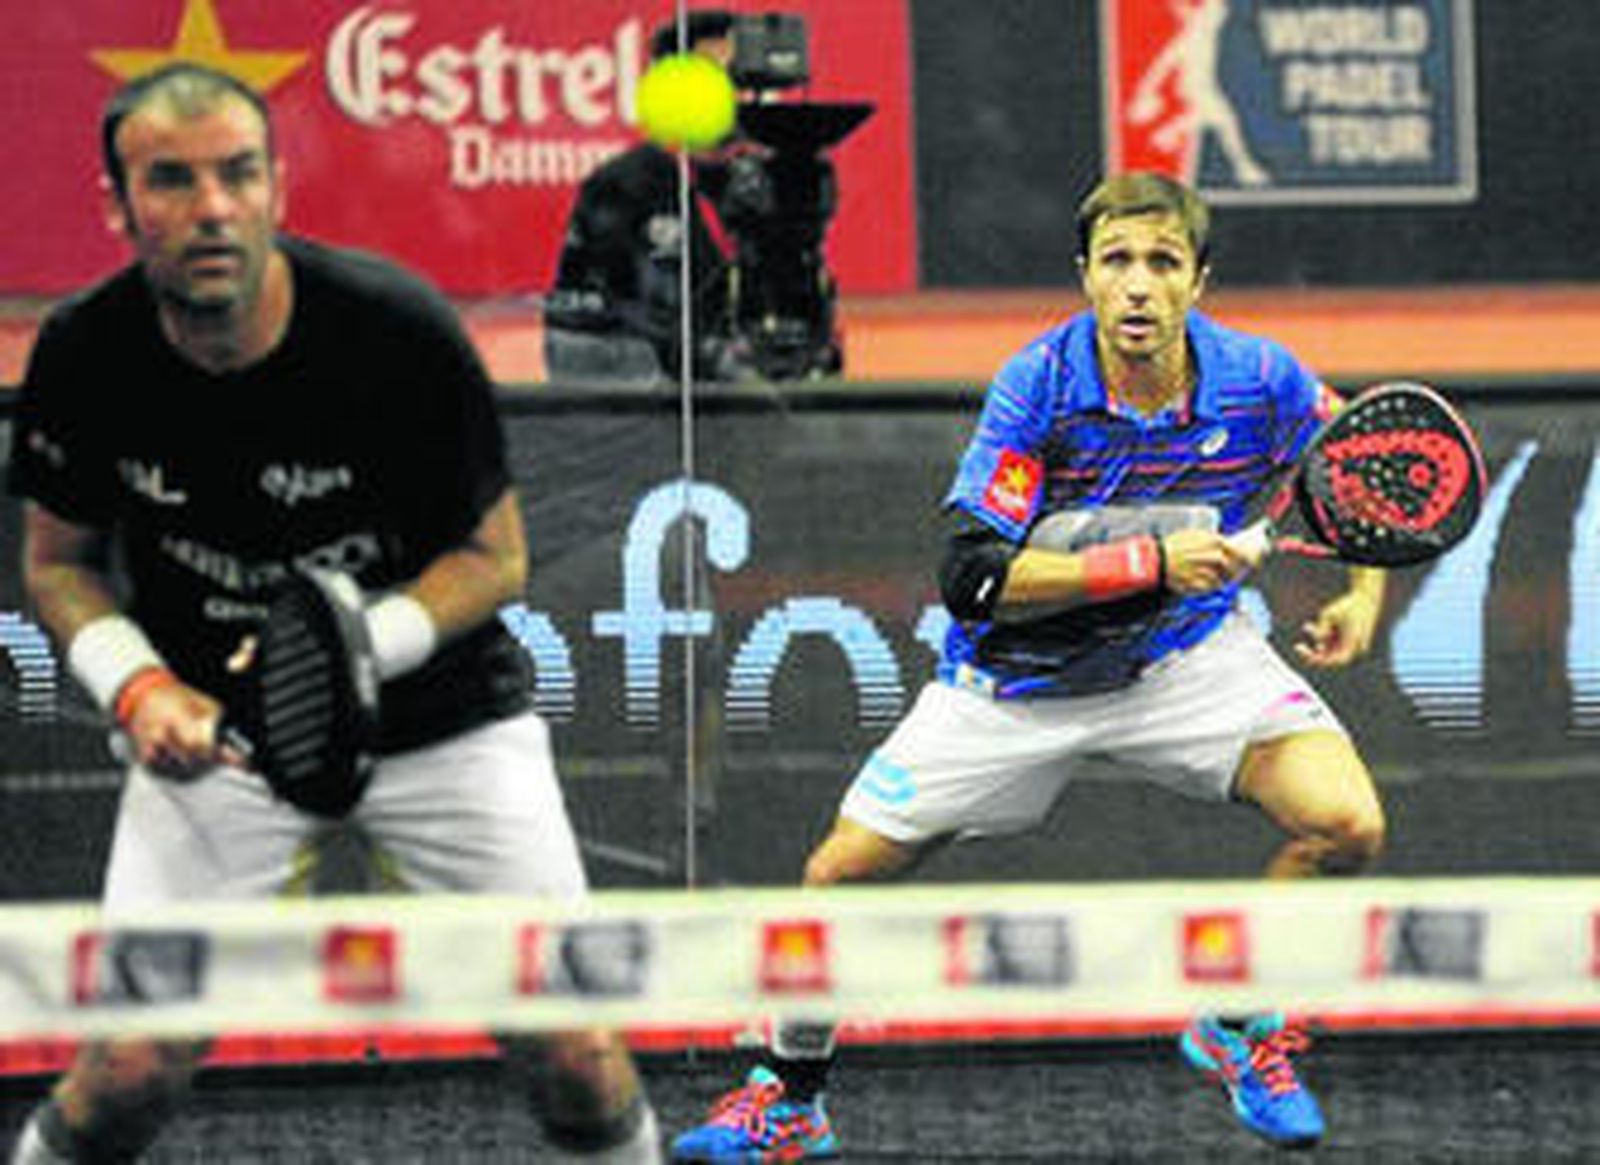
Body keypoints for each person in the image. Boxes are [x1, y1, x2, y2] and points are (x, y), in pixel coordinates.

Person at [6, 63, 660, 1163]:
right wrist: (140, 683)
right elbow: (59, 566)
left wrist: (356, 645)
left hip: (450, 727)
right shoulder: (84, 354)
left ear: (276, 191)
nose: (211, 208)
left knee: (576, 1060)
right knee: (125, 1067)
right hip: (219, 745)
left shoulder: (395, 333)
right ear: (119, 207)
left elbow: (493, 558)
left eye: (237, 174)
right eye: (171, 181)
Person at [670, 172, 1388, 1161]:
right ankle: (789, 1095)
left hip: (1184, 661)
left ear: (1198, 281)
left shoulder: (1258, 376)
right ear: (1084, 276)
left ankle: (1237, 1016)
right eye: (1117, 263)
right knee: (834, 880)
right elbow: (972, 579)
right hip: (1012, 687)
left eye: (1162, 263)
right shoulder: (1037, 386)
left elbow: (1365, 464)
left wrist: (1360, 594)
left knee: (1345, 822)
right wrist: (1150, 564)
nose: (1138, 287)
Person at [544, 10, 747, 385]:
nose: (734, 92)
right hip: (658, 412)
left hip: (755, 415)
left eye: (742, 76)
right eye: (715, 77)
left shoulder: (769, 181)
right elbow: (575, 335)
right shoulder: (621, 187)